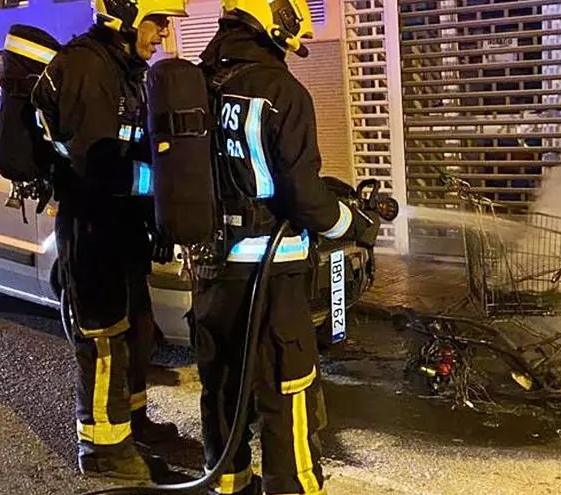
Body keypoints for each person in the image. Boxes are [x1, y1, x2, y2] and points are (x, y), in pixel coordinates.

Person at [192, 1, 379, 493]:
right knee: (286, 387)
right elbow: (301, 193)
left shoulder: (197, 83)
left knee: (223, 384)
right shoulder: (281, 92)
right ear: (276, 21)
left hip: (211, 270)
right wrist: (350, 224)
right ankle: (293, 486)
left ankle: (229, 483)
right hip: (272, 275)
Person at [31, 0, 188, 480]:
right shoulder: (87, 67)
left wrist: (155, 216)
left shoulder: (124, 69)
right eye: (158, 21)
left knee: (136, 328)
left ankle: (132, 421)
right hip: (92, 226)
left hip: (122, 224)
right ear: (125, 11)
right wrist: (164, 188)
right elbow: (99, 166)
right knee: (103, 338)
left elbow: (136, 148)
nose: (163, 34)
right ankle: (102, 448)